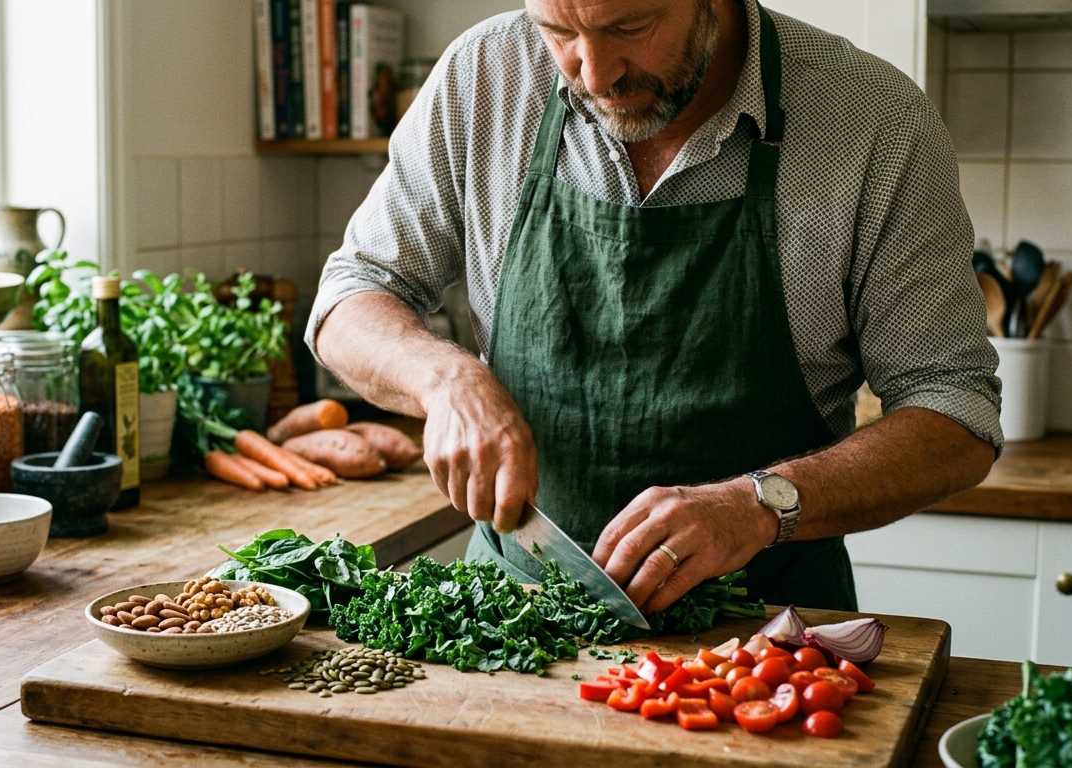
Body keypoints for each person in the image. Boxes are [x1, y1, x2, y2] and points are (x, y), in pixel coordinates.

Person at [306, 0, 1001, 614]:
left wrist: (760, 503)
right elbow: (353, 293)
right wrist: (444, 379)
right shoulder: (484, 75)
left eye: (630, 27)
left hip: (767, 641)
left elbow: (955, 410)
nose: (595, 73)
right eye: (557, 32)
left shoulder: (875, 121)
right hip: (515, 617)